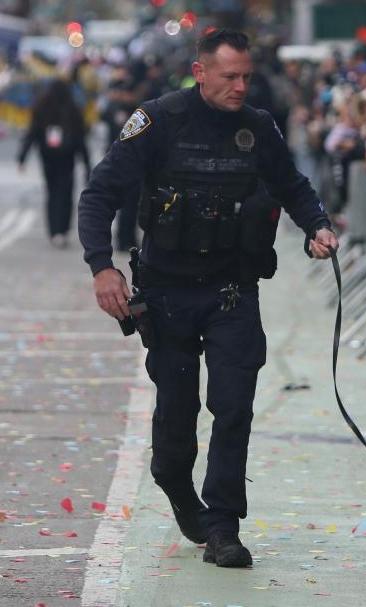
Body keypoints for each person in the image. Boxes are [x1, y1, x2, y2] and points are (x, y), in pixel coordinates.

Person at [77, 29, 338, 568]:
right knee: (178, 412)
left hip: (231, 291)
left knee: (234, 405)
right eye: (229, 76)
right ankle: (174, 482)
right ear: (200, 72)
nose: (240, 86)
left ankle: (223, 525)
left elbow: (291, 185)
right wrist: (102, 267)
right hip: (167, 292)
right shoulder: (158, 120)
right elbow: (100, 195)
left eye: (246, 76)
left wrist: (317, 226)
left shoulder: (257, 127)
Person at [18, 78, 91, 248]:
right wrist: (86, 163)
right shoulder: (73, 109)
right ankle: (63, 229)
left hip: (48, 158)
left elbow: (32, 133)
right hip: (67, 158)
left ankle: (54, 230)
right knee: (66, 194)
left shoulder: (41, 108)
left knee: (52, 194)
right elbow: (81, 139)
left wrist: (22, 157)